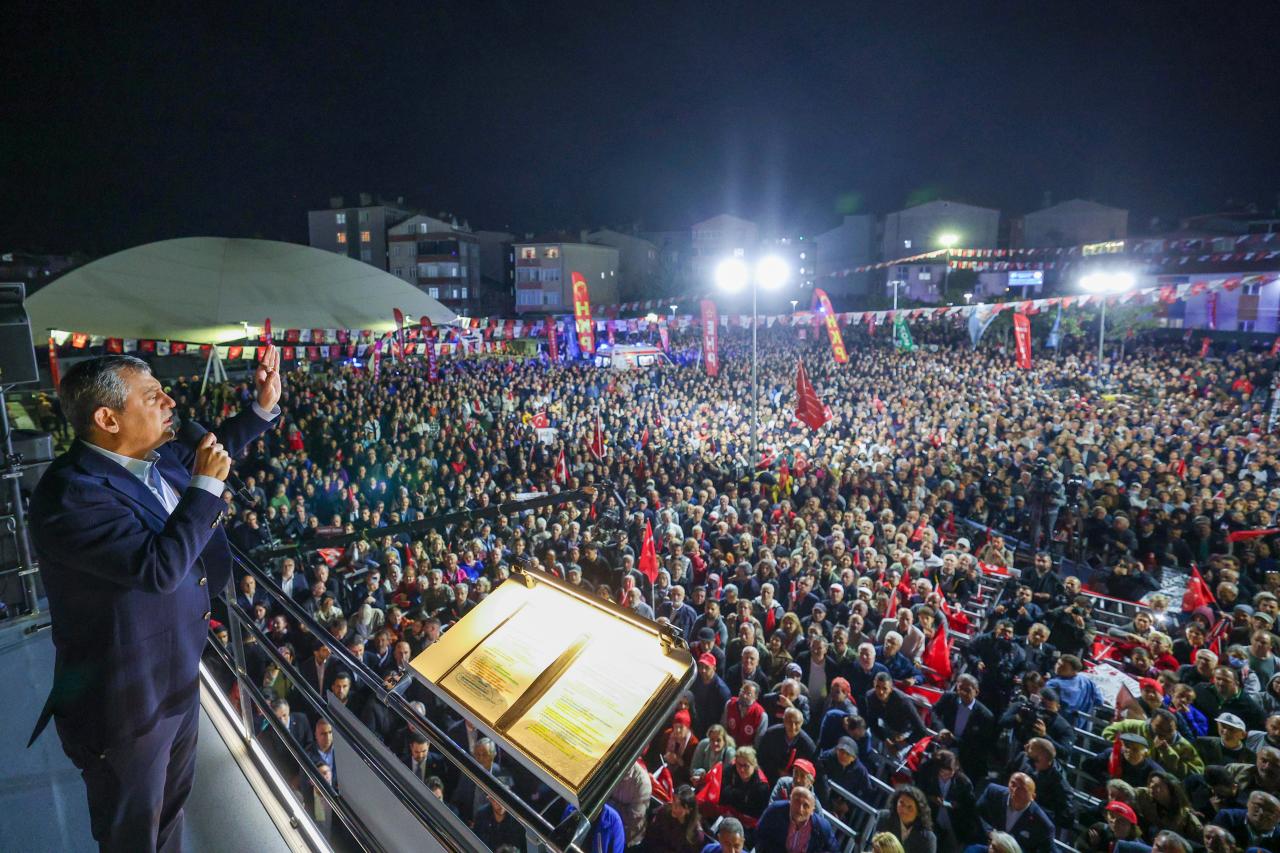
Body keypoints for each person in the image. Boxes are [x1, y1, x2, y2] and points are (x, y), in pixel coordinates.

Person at [27, 348, 283, 852]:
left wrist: (260, 408)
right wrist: (208, 484)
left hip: (175, 679)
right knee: (131, 833)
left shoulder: (155, 455)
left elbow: (215, 446)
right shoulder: (69, 496)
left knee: (169, 811)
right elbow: (159, 568)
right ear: (107, 418)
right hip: (123, 704)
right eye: (152, 396)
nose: (169, 401)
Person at [975, 773, 1055, 853]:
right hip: (984, 846)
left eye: (1022, 789)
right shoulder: (993, 792)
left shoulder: (1043, 824)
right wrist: (990, 832)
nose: (1015, 790)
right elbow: (975, 814)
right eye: (1013, 784)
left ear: (1032, 797)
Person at [755, 785, 840, 852]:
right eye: (796, 801)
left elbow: (833, 850)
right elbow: (759, 834)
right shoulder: (775, 811)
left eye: (806, 805)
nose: (800, 809)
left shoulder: (822, 826)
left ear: (812, 810)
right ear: (790, 801)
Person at [644, 784, 706, 853]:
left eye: (679, 806)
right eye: (673, 802)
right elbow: (651, 836)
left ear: (689, 810)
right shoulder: (663, 811)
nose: (674, 807)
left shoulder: (696, 835)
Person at [876, 785, 938, 853]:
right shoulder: (884, 817)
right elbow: (876, 847)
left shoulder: (928, 838)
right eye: (901, 803)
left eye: (910, 807)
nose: (904, 810)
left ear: (918, 811)